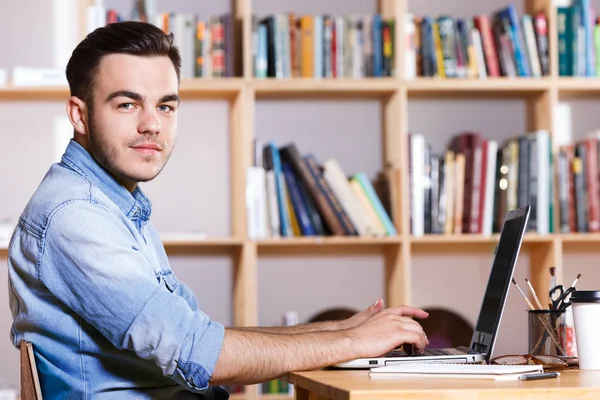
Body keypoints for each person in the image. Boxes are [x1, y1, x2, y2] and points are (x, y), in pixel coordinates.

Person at [7, 21, 429, 399]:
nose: (152, 124)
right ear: (79, 115)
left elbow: (202, 336)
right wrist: (352, 346)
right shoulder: (76, 215)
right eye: (127, 104)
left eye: (166, 106)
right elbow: (200, 355)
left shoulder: (115, 205)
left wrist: (338, 331)